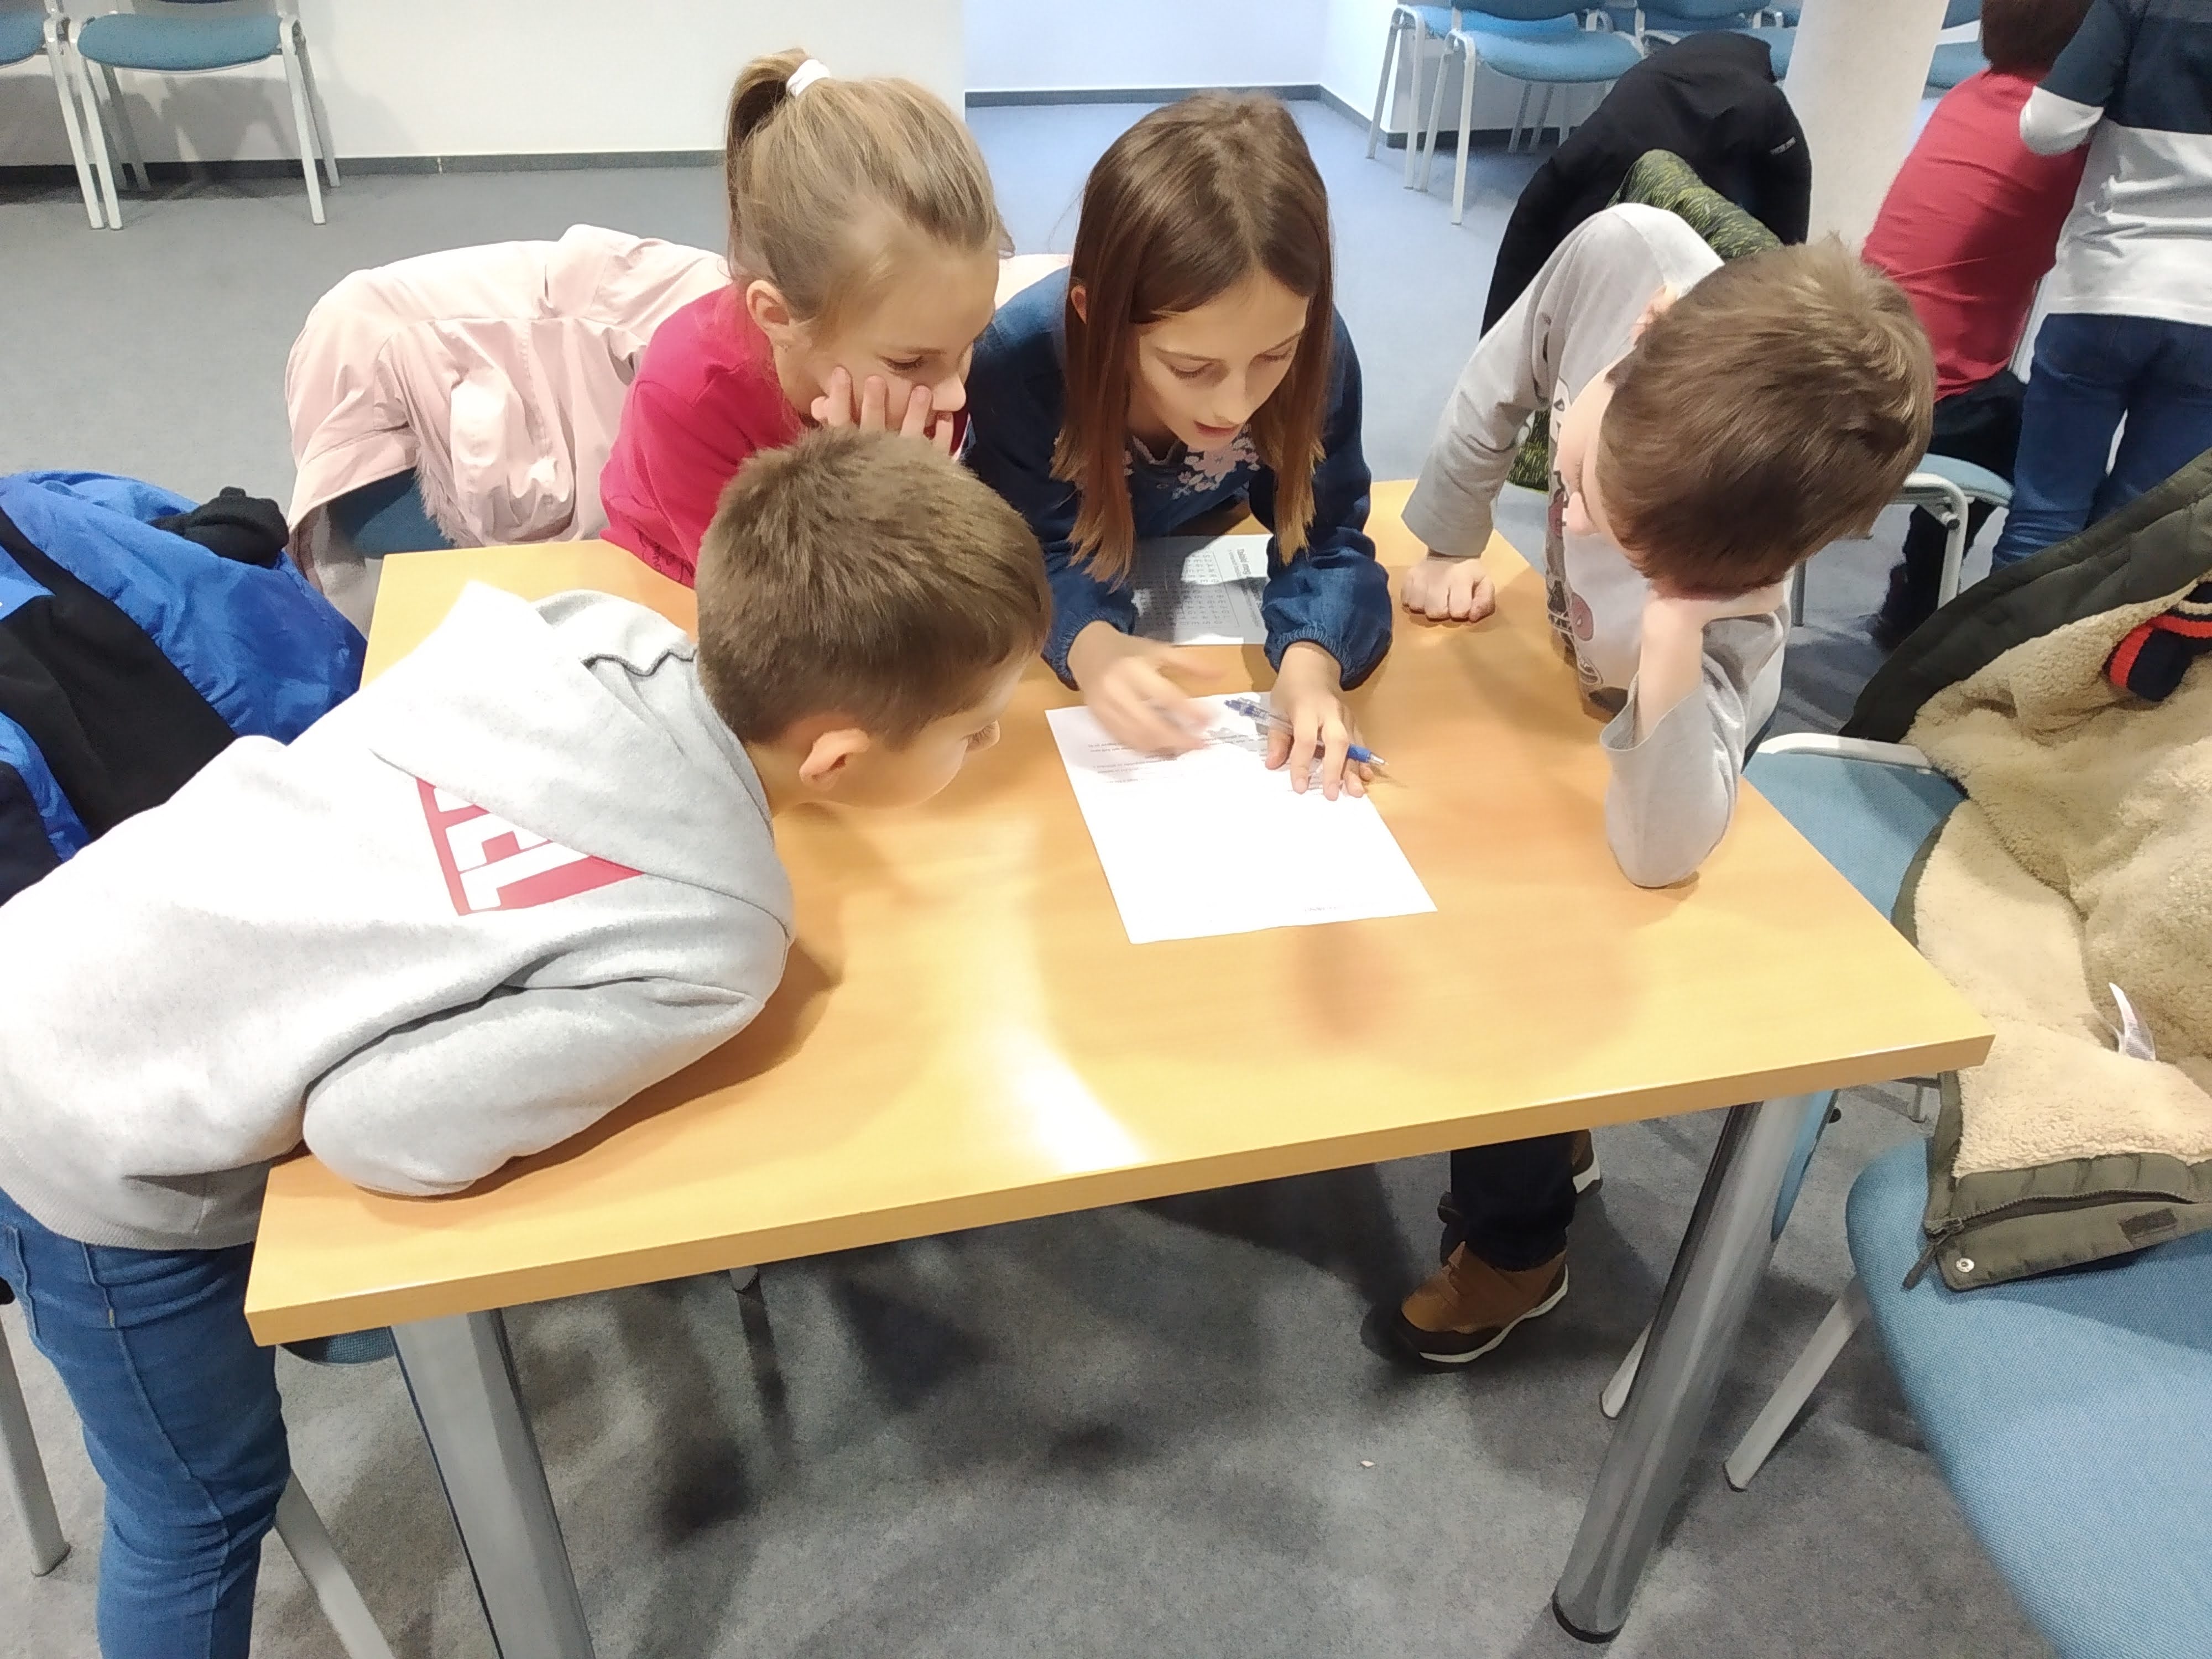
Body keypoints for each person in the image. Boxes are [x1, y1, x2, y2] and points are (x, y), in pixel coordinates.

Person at [0, 428, 1046, 1659]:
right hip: (85, 1141)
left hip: (55, 941)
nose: (987, 748)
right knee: (201, 1509)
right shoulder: (712, 936)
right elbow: (374, 1135)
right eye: (974, 731)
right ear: (838, 757)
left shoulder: (578, 631)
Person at [1389, 205, 1933, 1364]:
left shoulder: (1733, 614)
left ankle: (1516, 1246)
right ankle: (1550, 1137)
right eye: (1589, 483)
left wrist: (1676, 635)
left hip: (1650, 751)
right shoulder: (1622, 259)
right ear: (1645, 334)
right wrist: (1449, 536)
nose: (1580, 520)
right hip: (1550, 680)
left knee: (1536, 958)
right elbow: (1499, 378)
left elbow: (1657, 850)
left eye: (1633, 552)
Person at [966, 93, 1390, 801]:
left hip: (1201, 530)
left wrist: (1313, 660)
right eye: (1192, 369)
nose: (1235, 406)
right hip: (1082, 534)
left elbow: (1329, 534)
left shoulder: (1318, 351)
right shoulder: (1019, 362)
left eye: (1274, 356)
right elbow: (1026, 546)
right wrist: (1092, 646)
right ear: (1095, 317)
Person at [599, 50, 1006, 585]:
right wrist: (874, 500)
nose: (954, 394)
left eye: (971, 342)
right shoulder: (685, 397)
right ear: (779, 317)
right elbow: (768, 608)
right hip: (688, 567)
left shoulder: (929, 361)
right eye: (910, 363)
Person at [1861, 0, 2094, 646]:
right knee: (2062, 453)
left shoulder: (1967, 95)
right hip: (1926, 393)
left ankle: (1913, 597)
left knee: (2001, 407)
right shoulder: (2063, 134)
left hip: (1864, 356)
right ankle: (1970, 632)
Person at [1989, 0, 2212, 569]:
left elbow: (2047, 129)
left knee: (2043, 518)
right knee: (2136, 533)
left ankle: (2008, 634)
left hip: (2107, 284)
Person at [1483, 30, 1809, 333]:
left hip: (1622, 135)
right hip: (1644, 136)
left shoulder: (1757, 99)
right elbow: (1789, 212)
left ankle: (1502, 343)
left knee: (1553, 223)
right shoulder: (1767, 108)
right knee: (1578, 245)